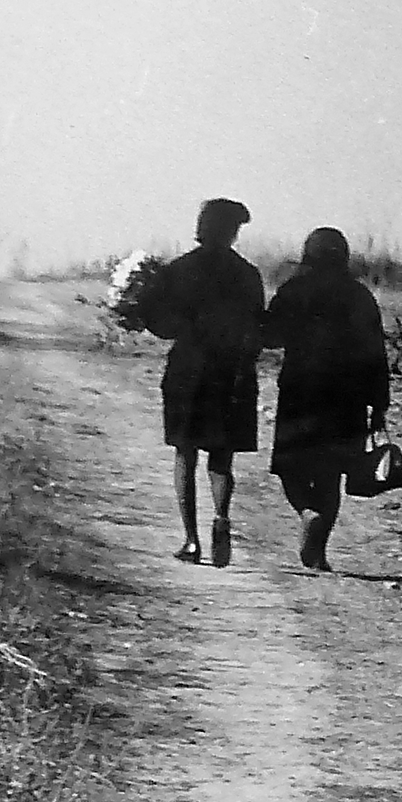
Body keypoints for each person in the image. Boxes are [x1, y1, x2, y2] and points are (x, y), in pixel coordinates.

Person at [146, 197, 265, 565]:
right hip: (230, 371)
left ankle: (191, 540)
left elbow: (158, 322)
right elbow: (257, 328)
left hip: (188, 368)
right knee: (222, 457)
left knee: (185, 453)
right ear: (233, 231)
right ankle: (222, 516)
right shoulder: (247, 274)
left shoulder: (179, 270)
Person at [264, 227, 390, 572]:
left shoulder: (294, 290)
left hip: (300, 393)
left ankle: (307, 511)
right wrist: (379, 405)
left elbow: (271, 335)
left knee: (290, 466)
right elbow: (376, 354)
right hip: (347, 399)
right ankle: (317, 551)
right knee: (331, 474)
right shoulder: (360, 296)